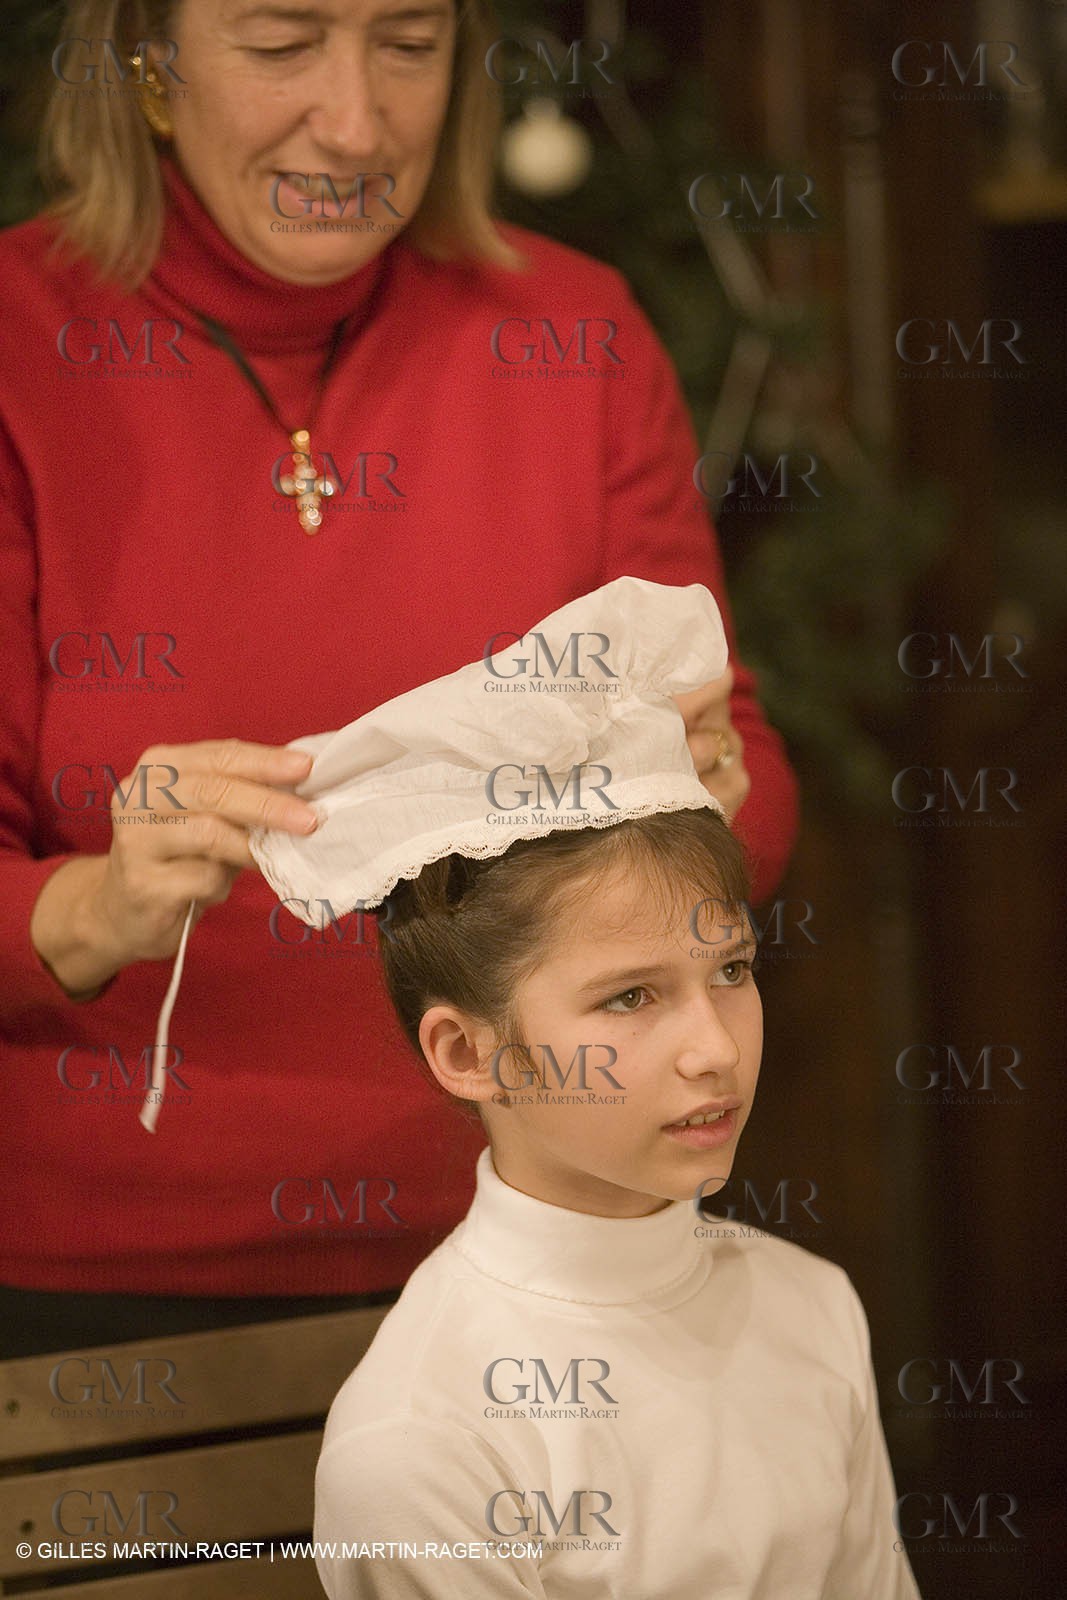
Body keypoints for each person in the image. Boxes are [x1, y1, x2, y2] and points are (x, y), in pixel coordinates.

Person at [0, 0, 796, 1344]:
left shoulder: (571, 332)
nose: (357, 122)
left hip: (552, 1236)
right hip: (113, 1299)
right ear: (146, 62)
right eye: (279, 44)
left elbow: (745, 787)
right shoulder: (23, 345)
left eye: (408, 46)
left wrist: (700, 801)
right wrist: (100, 905)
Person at [247, 577, 919, 1599]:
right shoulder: (424, 1441)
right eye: (629, 997)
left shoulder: (812, 1308)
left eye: (729, 971)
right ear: (467, 1053)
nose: (713, 1049)